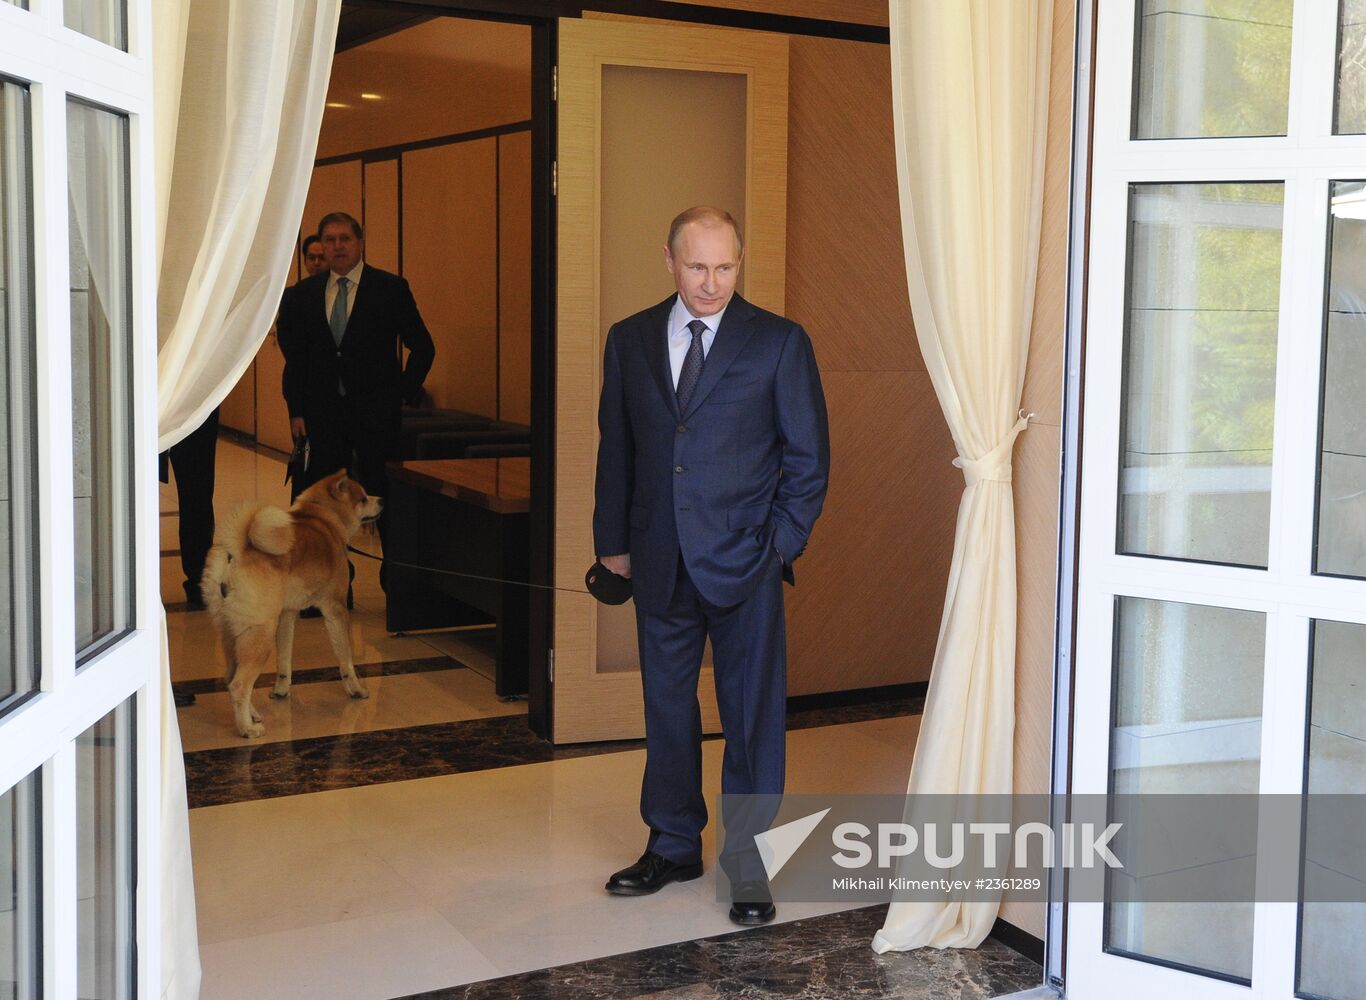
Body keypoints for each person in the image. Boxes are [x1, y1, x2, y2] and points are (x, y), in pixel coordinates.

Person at [593, 206, 830, 926]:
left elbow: (808, 459)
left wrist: (780, 546)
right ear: (669, 260)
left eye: (725, 267)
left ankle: (748, 865)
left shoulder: (780, 343)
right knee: (666, 711)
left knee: (752, 720)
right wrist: (612, 542)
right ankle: (671, 844)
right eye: (697, 267)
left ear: (739, 261)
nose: (712, 282)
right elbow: (618, 447)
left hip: (746, 564)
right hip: (659, 561)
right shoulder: (630, 339)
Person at [278, 211, 435, 577]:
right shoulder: (301, 296)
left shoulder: (390, 288)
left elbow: (423, 347)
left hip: (376, 416)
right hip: (322, 417)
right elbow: (295, 360)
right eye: (329, 240)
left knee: (383, 499)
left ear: (359, 243)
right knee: (323, 506)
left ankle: (398, 587)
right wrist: (296, 410)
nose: (337, 247)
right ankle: (327, 584)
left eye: (344, 239)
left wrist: (401, 393)